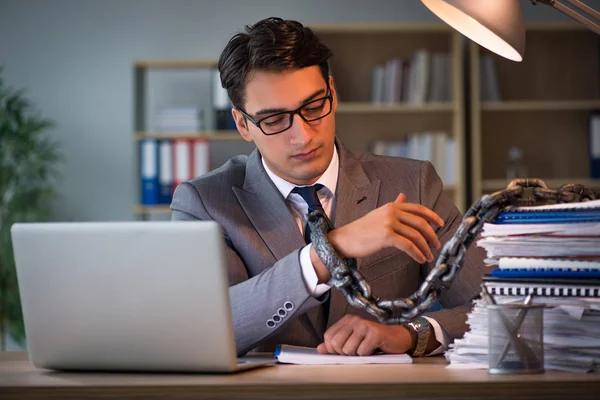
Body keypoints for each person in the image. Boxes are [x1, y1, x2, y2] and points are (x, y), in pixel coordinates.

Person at [171, 17, 487, 358]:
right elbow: (207, 327)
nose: (303, 135)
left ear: (332, 94)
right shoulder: (203, 203)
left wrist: (412, 334)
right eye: (274, 120)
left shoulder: (415, 184)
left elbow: (497, 306)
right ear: (242, 125)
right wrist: (329, 250)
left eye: (313, 107)